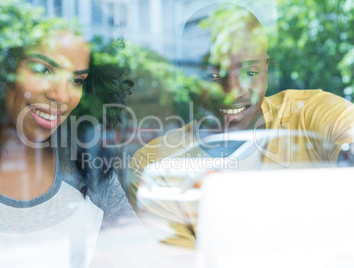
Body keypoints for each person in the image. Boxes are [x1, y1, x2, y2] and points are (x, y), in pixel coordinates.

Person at [0, 1, 172, 267]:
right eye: (43, 69)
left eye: (76, 80)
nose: (61, 95)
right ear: (0, 67)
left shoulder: (89, 172)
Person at [127, 2, 354, 249]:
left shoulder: (313, 112)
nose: (233, 92)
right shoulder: (155, 165)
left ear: (267, 67)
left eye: (249, 72)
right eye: (213, 76)